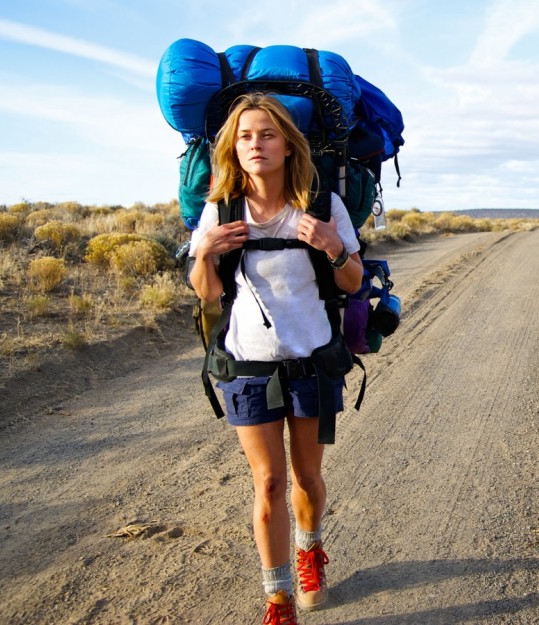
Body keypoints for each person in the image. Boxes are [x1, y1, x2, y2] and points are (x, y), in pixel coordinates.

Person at [188, 92, 362, 624]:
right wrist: (205, 252)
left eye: (266, 134)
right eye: (244, 136)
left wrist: (333, 246)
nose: (255, 144)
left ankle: (311, 554)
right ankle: (279, 599)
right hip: (248, 366)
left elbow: (352, 282)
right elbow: (207, 295)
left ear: (287, 145)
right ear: (232, 149)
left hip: (311, 361)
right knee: (267, 482)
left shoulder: (323, 206)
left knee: (307, 478)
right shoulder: (219, 210)